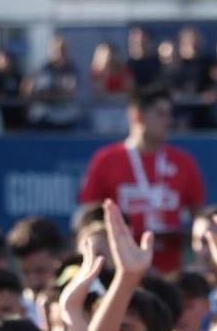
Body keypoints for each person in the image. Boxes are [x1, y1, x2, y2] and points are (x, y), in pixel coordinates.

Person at [76, 87, 205, 274]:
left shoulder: (184, 162)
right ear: (138, 116)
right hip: (121, 270)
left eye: (169, 115)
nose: (168, 122)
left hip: (171, 270)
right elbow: (88, 217)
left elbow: (198, 215)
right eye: (160, 114)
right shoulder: (106, 160)